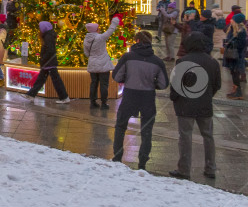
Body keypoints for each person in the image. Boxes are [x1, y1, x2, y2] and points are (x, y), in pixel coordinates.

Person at [112, 30, 169, 170]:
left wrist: (127, 79)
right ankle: (142, 162)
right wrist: (152, 83)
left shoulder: (127, 57)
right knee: (146, 130)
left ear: (136, 41)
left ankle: (117, 157)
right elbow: (163, 83)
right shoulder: (157, 61)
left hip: (130, 95)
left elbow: (116, 76)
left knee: (120, 127)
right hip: (148, 98)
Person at [169, 32, 221, 180]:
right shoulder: (213, 62)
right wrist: (207, 96)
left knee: (185, 137)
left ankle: (184, 169)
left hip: (185, 105)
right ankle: (210, 168)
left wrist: (175, 98)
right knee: (208, 136)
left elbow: (175, 85)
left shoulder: (182, 62)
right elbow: (217, 84)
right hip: (205, 105)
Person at [23, 21, 70, 103]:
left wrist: (44, 59)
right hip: (49, 62)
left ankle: (64, 97)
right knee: (41, 79)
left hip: (49, 62)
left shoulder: (48, 37)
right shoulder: (49, 35)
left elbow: (50, 50)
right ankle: (31, 95)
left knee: (55, 80)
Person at [84, 17, 120, 109]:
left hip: (93, 63)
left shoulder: (86, 39)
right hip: (103, 64)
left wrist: (93, 57)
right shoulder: (100, 37)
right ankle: (104, 103)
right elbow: (110, 30)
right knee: (104, 84)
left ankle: (93, 102)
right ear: (96, 29)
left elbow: (86, 53)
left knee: (94, 83)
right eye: (98, 27)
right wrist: (115, 21)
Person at [223, 13, 248, 100]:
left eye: (232, 19)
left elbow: (242, 44)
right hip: (231, 55)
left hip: (236, 56)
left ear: (236, 21)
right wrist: (226, 42)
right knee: (233, 73)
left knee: (236, 73)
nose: (230, 20)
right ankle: (235, 90)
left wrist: (230, 43)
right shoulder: (232, 29)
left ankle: (238, 92)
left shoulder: (241, 31)